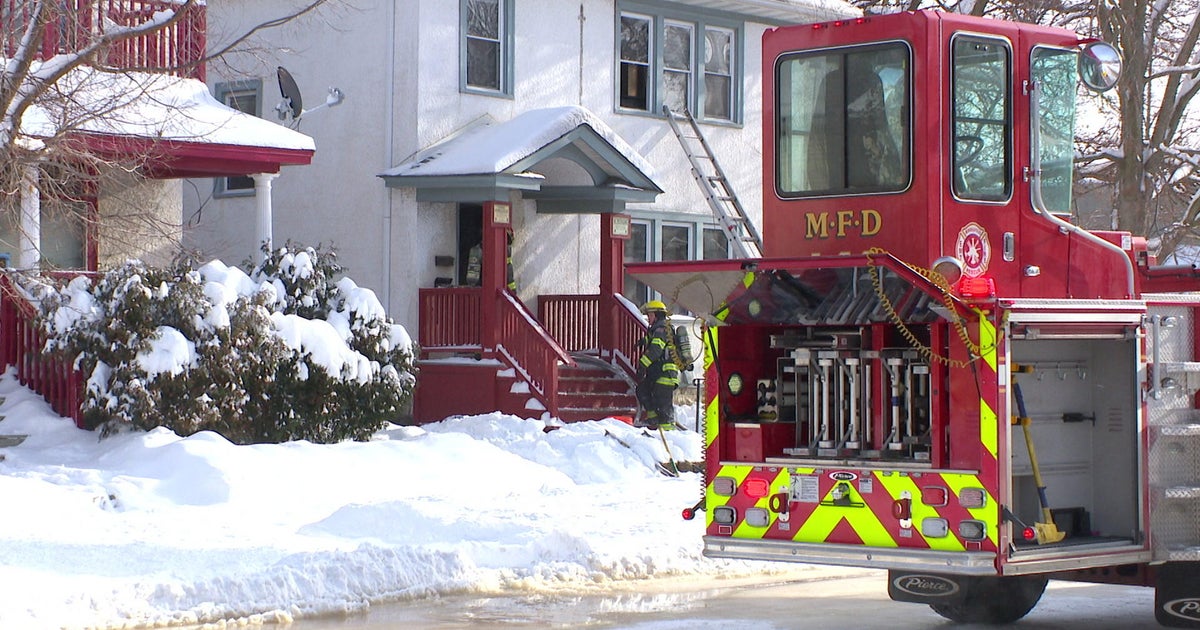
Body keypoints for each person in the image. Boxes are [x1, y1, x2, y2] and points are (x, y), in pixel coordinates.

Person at [636, 300, 679, 429]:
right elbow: (654, 340)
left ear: (657, 315)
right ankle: (653, 420)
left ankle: (668, 434)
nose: (648, 318)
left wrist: (642, 365)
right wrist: (643, 341)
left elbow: (656, 350)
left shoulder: (662, 329)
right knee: (642, 390)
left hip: (665, 375)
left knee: (663, 409)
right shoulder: (657, 329)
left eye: (650, 315)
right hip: (657, 373)